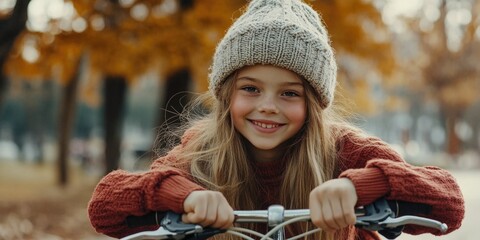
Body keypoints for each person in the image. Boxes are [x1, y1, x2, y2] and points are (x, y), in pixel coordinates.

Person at [88, 0, 464, 239]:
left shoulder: (346, 150)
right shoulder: (201, 156)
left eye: (289, 93)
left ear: (313, 104)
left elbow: (449, 200)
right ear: (226, 95)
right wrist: (183, 195)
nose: (268, 106)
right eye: (250, 89)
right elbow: (105, 207)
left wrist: (360, 187)